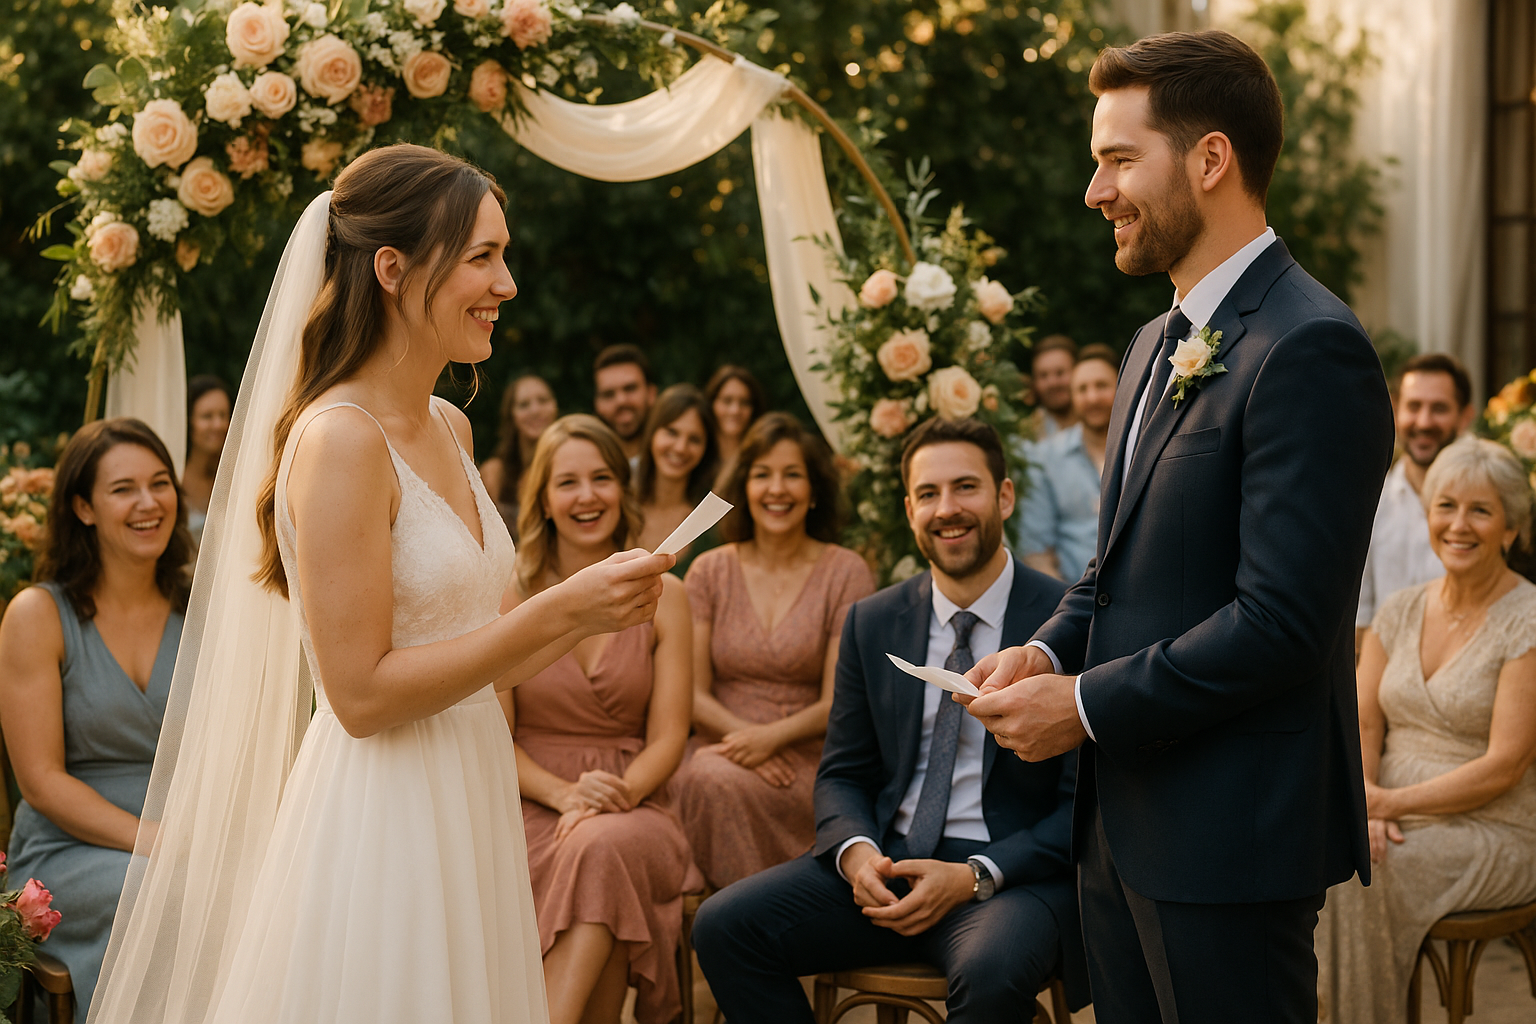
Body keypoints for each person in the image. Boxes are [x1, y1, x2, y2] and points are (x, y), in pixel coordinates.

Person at [90, 144, 674, 1023]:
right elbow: (358, 694)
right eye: (483, 256)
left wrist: (596, 602)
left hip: (471, 790)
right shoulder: (339, 442)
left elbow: (496, 658)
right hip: (388, 807)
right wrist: (564, 608)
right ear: (394, 269)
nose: (507, 284)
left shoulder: (449, 425)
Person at [961, 32, 1395, 1024]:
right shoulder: (1157, 342)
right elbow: (1111, 572)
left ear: (1210, 159)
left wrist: (1082, 707)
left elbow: (1284, 622)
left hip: (1232, 841)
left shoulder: (1310, 346)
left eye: (1118, 159)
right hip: (1118, 830)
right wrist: (1040, 651)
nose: (1094, 190)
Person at [693, 416, 1084, 1024]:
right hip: (889, 864)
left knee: (991, 974)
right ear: (908, 509)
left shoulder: (1065, 622)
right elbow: (843, 771)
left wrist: (974, 875)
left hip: (1008, 877)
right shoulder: (871, 621)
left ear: (1004, 495)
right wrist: (856, 854)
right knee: (724, 927)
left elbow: (1084, 803)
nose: (946, 509)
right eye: (928, 494)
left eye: (966, 488)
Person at [1315, 437, 1536, 1024]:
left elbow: (1506, 765)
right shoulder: (1400, 609)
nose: (1458, 525)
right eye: (1446, 506)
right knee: (1318, 848)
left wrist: (1387, 802)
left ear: (1510, 529)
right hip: (1392, 814)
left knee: (1358, 876)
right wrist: (1367, 801)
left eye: (1480, 510)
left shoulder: (1529, 620)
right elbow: (1363, 720)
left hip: (1496, 827)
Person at [502, 414, 699, 1024]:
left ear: (623, 490)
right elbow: (494, 737)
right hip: (530, 799)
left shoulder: (668, 596)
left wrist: (614, 796)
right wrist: (564, 796)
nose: (587, 496)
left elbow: (669, 737)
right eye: (568, 483)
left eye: (602, 478)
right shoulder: (511, 594)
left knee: (602, 847)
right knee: (598, 869)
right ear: (543, 500)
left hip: (635, 799)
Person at [0, 418, 192, 1014]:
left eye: (160, 483)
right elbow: (41, 781)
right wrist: (160, 843)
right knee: (155, 891)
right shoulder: (39, 615)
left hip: (183, 838)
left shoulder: (201, 611)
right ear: (82, 507)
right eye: (123, 488)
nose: (148, 502)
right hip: (69, 849)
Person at [669, 413, 875, 891]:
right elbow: (691, 696)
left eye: (792, 474)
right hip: (721, 744)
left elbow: (837, 701)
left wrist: (772, 740)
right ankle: (736, 931)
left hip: (806, 759)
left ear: (815, 489)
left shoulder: (846, 572)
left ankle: (769, 931)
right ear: (744, 487)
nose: (776, 489)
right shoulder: (709, 571)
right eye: (762, 475)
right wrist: (748, 742)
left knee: (716, 779)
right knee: (705, 777)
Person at [1356, 353, 1475, 648]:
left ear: (1465, 416)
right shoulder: (1372, 501)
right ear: (1395, 410)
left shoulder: (1488, 504)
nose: (1424, 422)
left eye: (1439, 408)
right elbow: (1360, 621)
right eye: (1414, 406)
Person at [1015, 344, 1119, 582]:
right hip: (1076, 598)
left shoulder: (1143, 450)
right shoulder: (1043, 459)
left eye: (1101, 386)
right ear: (1072, 396)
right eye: (1082, 389)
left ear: (1121, 387)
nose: (1092, 398)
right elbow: (1035, 550)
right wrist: (1067, 609)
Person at [634, 384, 720, 573]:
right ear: (652, 432)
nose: (681, 447)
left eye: (694, 439)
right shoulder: (618, 506)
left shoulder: (711, 524)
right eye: (672, 432)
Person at [480, 373, 559, 538]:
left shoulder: (570, 465)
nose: (535, 410)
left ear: (555, 407)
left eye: (543, 400)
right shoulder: (494, 473)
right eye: (524, 405)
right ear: (511, 415)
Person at [182, 374, 232, 550]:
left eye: (223, 415)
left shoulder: (233, 477)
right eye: (207, 416)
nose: (218, 424)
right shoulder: (172, 476)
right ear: (189, 421)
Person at [593, 344, 657, 470]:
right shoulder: (587, 463)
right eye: (609, 394)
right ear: (597, 404)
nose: (621, 401)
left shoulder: (676, 461)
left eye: (630, 388)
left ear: (651, 393)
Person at [704, 364, 766, 467]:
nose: (735, 410)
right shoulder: (697, 457)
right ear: (712, 403)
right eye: (727, 401)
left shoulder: (762, 456)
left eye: (744, 402)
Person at [1028, 335, 1078, 442]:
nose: (1052, 383)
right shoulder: (1027, 433)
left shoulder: (1103, 424)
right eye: (1043, 375)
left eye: (1060, 373)